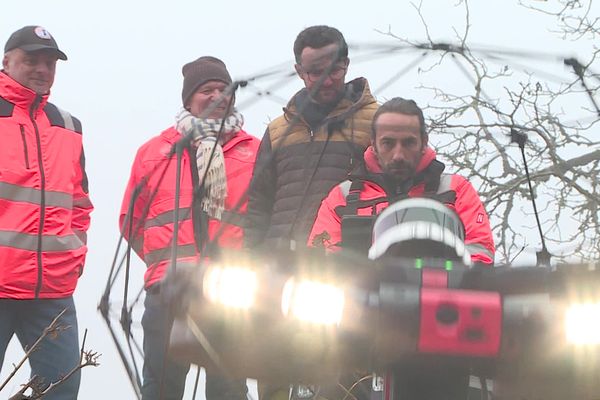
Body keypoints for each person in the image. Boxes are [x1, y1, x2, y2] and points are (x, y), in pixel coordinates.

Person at [119, 56, 259, 400]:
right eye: (207, 89)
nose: (217, 95)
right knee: (162, 386)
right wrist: (162, 262)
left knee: (228, 388)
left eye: (223, 88)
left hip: (232, 290)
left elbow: (265, 218)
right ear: (188, 99)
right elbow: (131, 221)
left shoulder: (255, 151)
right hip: (169, 289)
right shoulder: (154, 153)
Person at [0, 26, 93, 399]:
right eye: (31, 60)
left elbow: (81, 204)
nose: (42, 69)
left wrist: (74, 259)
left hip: (52, 290)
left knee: (62, 386)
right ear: (6, 62)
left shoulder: (69, 126)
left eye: (49, 63)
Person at [308, 97, 495, 264]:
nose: (398, 155)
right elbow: (320, 259)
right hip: (360, 299)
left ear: (424, 142)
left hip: (439, 296)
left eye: (408, 143)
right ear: (373, 143)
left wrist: (453, 275)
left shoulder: (455, 190)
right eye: (388, 143)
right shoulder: (343, 197)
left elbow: (480, 255)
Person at [245, 25, 378, 252]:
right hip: (276, 262)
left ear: (346, 64)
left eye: (334, 70)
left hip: (341, 261)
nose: (326, 81)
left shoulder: (377, 122)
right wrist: (252, 256)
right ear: (299, 71)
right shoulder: (278, 130)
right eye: (316, 73)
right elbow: (258, 204)